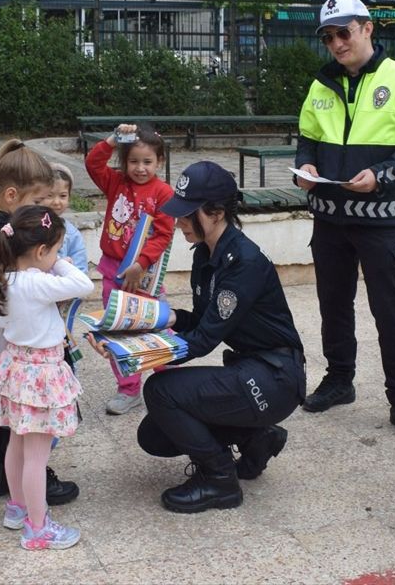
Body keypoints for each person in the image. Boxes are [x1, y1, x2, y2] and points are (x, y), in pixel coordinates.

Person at [295, 0, 395, 443]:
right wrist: (307, 168)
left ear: (366, 28)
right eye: (328, 37)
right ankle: (340, 380)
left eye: (344, 33)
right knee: (333, 307)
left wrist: (379, 177)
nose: (337, 44)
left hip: (381, 221)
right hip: (328, 219)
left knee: (391, 313)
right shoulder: (321, 84)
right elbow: (306, 138)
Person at [117, 162, 306, 514]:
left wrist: (133, 354)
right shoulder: (207, 253)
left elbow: (203, 341)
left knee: (160, 392)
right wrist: (153, 319)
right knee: (154, 435)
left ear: (217, 213)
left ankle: (220, 481)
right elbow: (203, 321)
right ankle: (255, 438)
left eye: (187, 215)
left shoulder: (242, 262)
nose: (179, 223)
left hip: (275, 378)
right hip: (254, 370)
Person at [0, 140, 78, 506]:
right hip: (18, 338)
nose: (43, 211)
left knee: (5, 412)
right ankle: (30, 481)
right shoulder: (4, 236)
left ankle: (2, 477)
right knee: (25, 414)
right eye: (38, 201)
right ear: (12, 195)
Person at [0, 205, 93, 550]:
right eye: (55, 250)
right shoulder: (39, 282)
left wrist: (6, 368)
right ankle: (38, 528)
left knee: (17, 443)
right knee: (37, 456)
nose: (58, 257)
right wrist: (57, 262)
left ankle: (17, 508)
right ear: (41, 251)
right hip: (42, 375)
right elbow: (83, 284)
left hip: (13, 369)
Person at [84, 123, 175, 416]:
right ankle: (129, 389)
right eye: (133, 161)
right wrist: (113, 138)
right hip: (113, 271)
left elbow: (163, 234)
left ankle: (169, 380)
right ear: (124, 162)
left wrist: (141, 263)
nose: (140, 168)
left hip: (145, 275)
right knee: (119, 331)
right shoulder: (115, 183)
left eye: (147, 162)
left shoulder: (163, 193)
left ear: (159, 162)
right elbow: (93, 163)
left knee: (153, 325)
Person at [45, 164, 87, 271]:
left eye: (63, 196)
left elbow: (81, 270)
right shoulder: (29, 226)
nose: (56, 202)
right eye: (49, 195)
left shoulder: (72, 234)